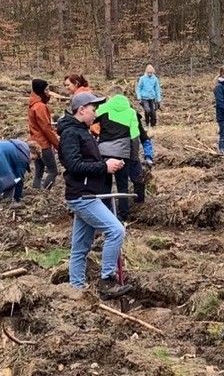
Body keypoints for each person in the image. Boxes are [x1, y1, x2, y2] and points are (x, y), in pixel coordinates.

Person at [57, 91, 132, 299]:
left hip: (89, 193)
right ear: (81, 110)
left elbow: (87, 162)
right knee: (116, 231)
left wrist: (110, 165)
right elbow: (74, 165)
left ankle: (76, 290)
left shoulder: (82, 131)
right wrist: (103, 167)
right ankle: (107, 280)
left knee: (79, 248)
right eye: (93, 108)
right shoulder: (71, 134)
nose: (96, 112)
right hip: (83, 196)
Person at [96, 88, 145, 220]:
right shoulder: (131, 112)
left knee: (105, 185)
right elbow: (135, 137)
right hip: (123, 153)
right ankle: (123, 216)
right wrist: (133, 157)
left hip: (103, 152)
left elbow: (92, 124)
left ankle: (105, 215)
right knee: (122, 186)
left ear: (110, 96)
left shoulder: (103, 108)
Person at [27, 79, 60, 190]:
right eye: (46, 89)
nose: (48, 92)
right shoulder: (40, 106)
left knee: (39, 171)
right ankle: (45, 192)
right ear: (41, 90)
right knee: (53, 171)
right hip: (43, 144)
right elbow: (46, 128)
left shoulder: (32, 105)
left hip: (34, 142)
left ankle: (36, 191)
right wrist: (57, 144)